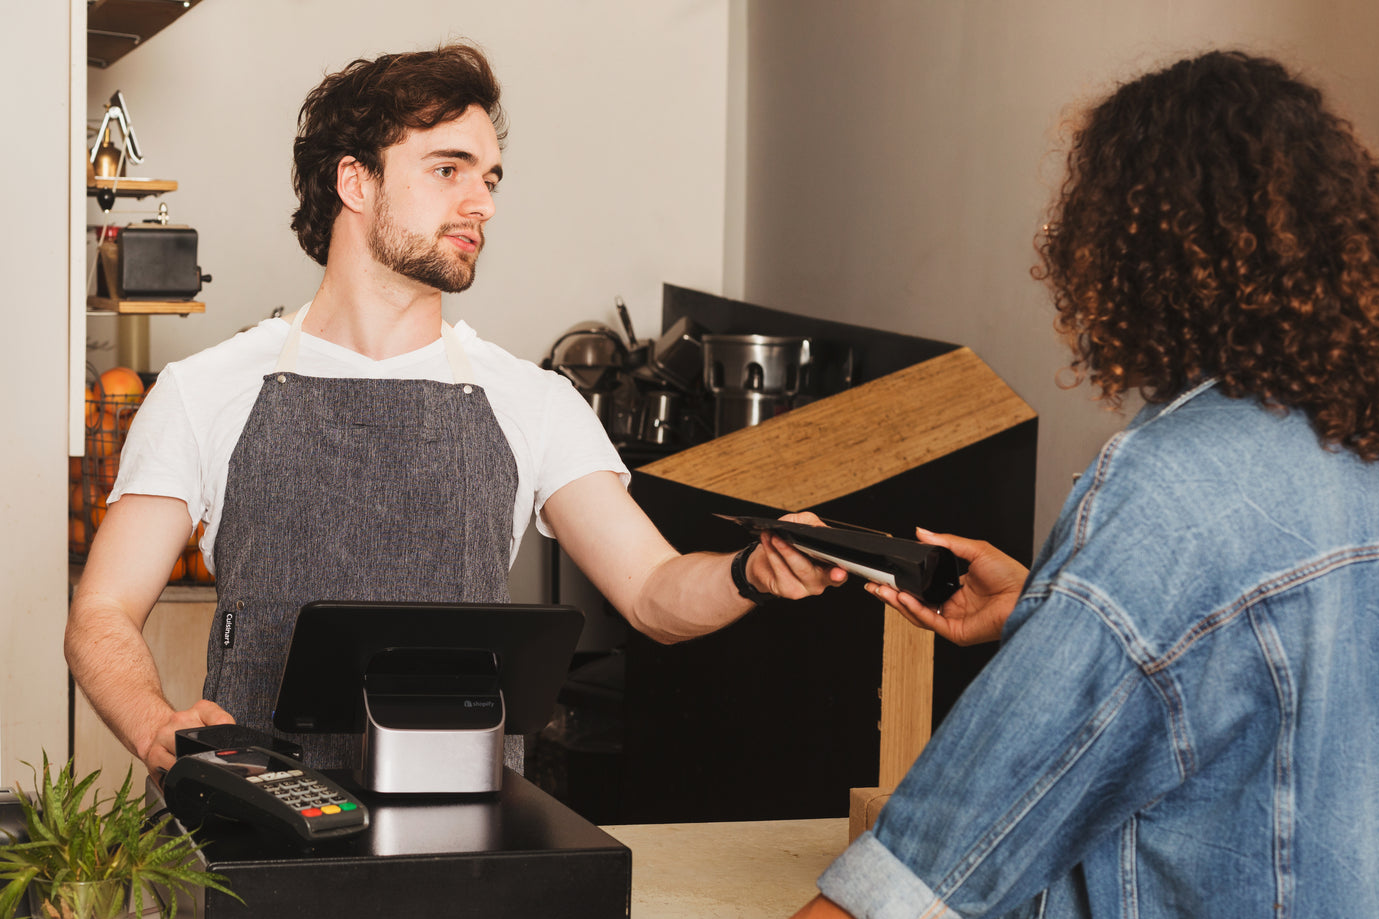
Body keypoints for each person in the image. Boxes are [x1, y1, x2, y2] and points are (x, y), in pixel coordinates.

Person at [603, 50, 1379, 919]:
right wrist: (1053, 610)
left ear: (1141, 248)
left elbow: (978, 807)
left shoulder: (1169, 483)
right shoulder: (1375, 474)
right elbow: (1241, 693)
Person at [64, 43, 843, 775]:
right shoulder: (207, 390)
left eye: (491, 179)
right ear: (355, 183)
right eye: (449, 170)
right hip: (258, 820)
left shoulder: (532, 401)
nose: (483, 204)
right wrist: (152, 722)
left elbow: (652, 591)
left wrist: (750, 573)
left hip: (467, 828)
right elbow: (101, 611)